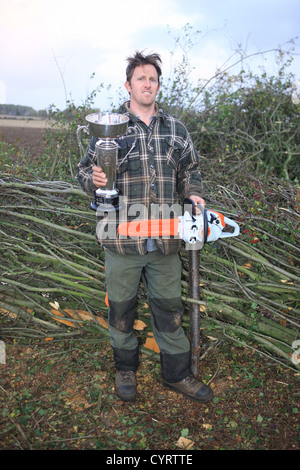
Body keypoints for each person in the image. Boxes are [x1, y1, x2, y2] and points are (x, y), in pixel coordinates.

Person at [77, 51, 213, 403]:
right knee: (121, 308)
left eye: (152, 78)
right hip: (120, 237)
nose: (147, 84)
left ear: (157, 85)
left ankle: (177, 375)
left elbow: (190, 172)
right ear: (128, 85)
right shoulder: (110, 128)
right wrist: (92, 180)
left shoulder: (176, 129)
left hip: (166, 238)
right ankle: (125, 370)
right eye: (140, 78)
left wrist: (194, 195)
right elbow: (83, 172)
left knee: (169, 308)